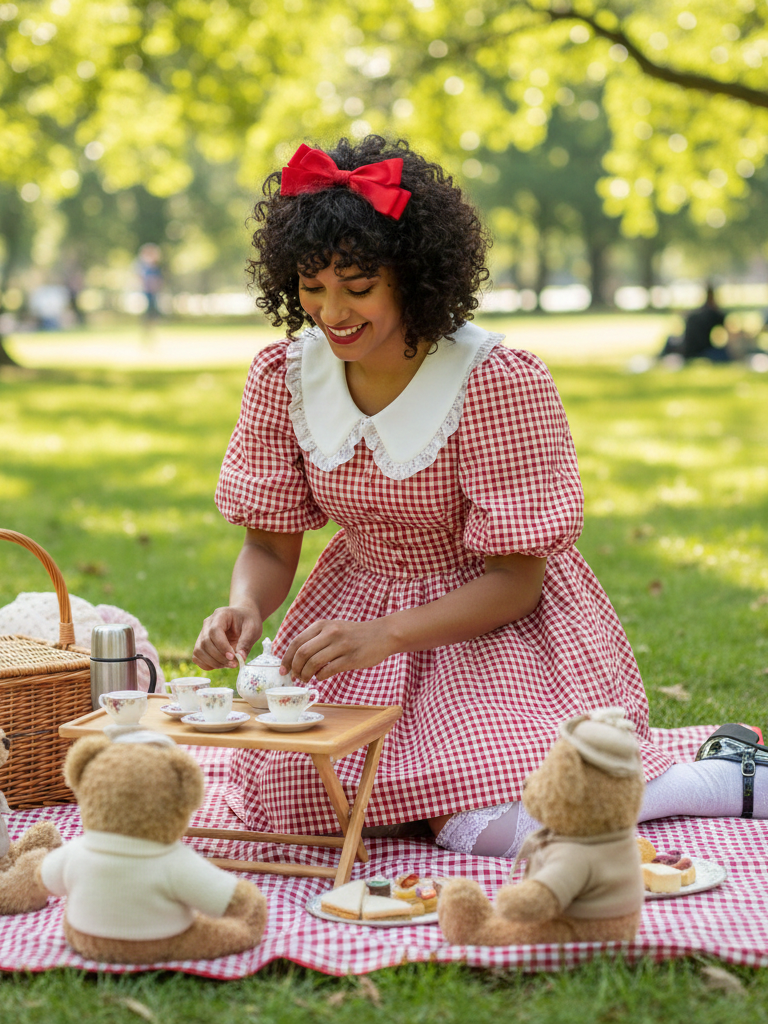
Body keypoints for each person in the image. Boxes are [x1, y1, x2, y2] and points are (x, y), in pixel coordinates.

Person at [194, 137, 767, 859]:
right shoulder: (284, 375)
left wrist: (388, 635)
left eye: (358, 286)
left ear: (414, 276)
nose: (331, 311)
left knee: (485, 829)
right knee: (302, 806)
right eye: (312, 285)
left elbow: (516, 582)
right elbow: (269, 544)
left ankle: (710, 781)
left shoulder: (496, 381)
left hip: (495, 632)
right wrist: (247, 606)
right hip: (356, 627)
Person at [660, 285, 729, 362]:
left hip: (690, 347)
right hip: (700, 349)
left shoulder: (698, 313)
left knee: (670, 340)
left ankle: (660, 357)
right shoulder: (714, 314)